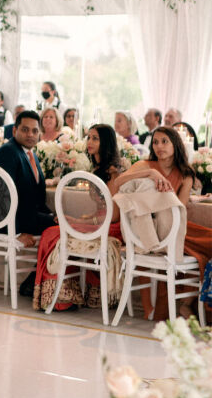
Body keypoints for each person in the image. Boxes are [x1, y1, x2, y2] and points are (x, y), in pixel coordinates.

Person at [111, 126, 212, 320]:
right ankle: (168, 306)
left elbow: (179, 210)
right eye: (155, 142)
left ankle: (186, 303)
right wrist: (150, 174)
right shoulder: (144, 164)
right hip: (148, 227)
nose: (159, 146)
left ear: (176, 144)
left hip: (175, 227)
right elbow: (118, 183)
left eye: (164, 141)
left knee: (207, 244)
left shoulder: (185, 174)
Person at [32, 124, 123, 311]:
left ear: (106, 142)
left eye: (95, 138)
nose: (89, 142)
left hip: (111, 227)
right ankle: (64, 296)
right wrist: (74, 218)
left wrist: (78, 221)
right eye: (88, 137)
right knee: (54, 231)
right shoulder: (98, 168)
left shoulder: (113, 171)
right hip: (100, 223)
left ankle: (61, 298)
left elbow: (113, 215)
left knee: (52, 234)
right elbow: (100, 210)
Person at [0, 111, 55, 253]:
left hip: (28, 217)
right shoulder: (7, 152)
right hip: (13, 224)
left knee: (64, 222)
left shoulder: (29, 153)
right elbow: (0, 196)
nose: (30, 134)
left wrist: (51, 216)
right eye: (25, 130)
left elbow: (36, 196)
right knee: (65, 229)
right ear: (14, 130)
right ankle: (45, 273)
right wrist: (15, 233)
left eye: (35, 131)